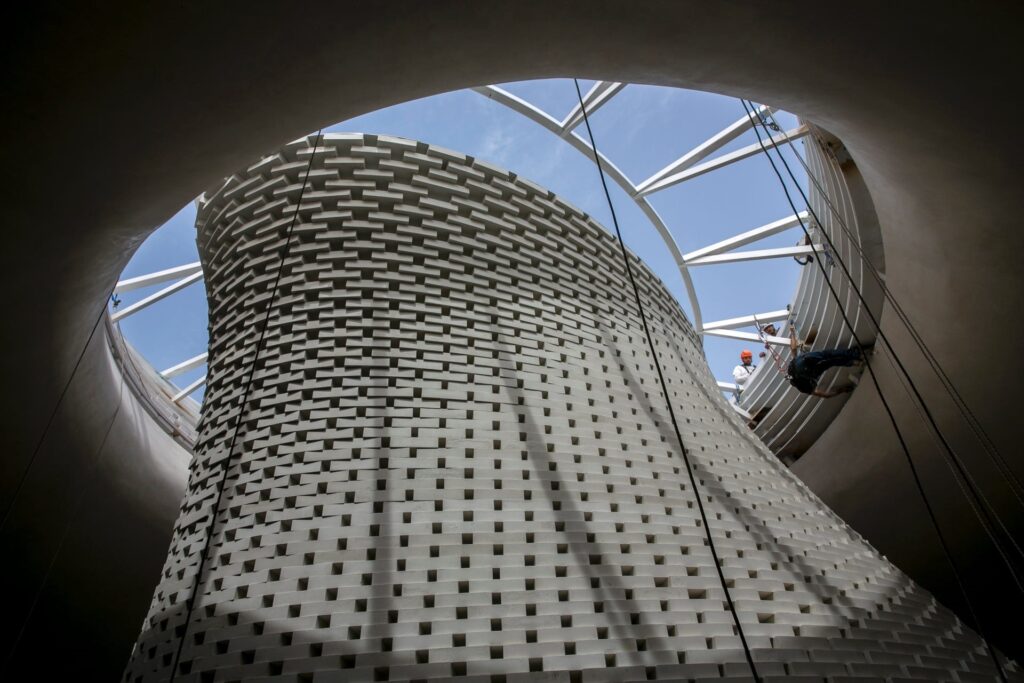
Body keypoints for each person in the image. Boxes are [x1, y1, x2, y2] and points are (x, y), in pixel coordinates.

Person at [786, 327, 865, 398]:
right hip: (802, 361)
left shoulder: (805, 388)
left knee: (830, 362)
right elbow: (793, 349)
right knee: (827, 355)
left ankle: (854, 362)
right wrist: (792, 332)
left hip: (810, 371)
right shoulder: (793, 369)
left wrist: (842, 390)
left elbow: (826, 395)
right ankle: (856, 354)